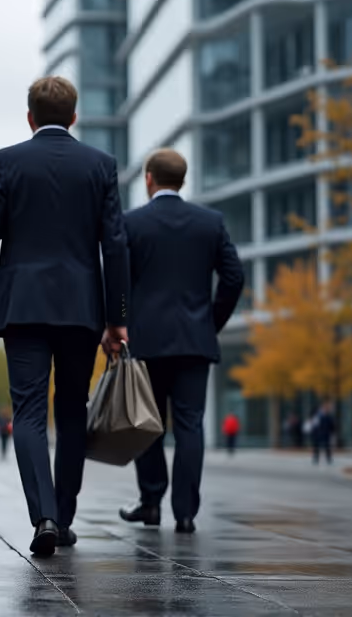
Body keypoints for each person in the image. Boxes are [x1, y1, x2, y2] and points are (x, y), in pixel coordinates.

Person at [0, 76, 129, 557]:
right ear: (74, 116)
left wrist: (0, 290)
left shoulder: (8, 161)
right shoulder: (101, 166)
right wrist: (116, 317)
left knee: (29, 414)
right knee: (72, 413)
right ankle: (64, 514)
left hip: (22, 307)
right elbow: (115, 246)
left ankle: (43, 518)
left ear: (30, 117)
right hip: (82, 309)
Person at [114, 149, 244, 535]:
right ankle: (185, 513)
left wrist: (120, 322)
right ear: (182, 181)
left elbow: (117, 280)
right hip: (194, 341)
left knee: (145, 423)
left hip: (146, 341)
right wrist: (210, 322)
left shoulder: (132, 223)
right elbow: (234, 278)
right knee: (190, 425)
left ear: (149, 178)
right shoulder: (210, 222)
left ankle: (151, 504)